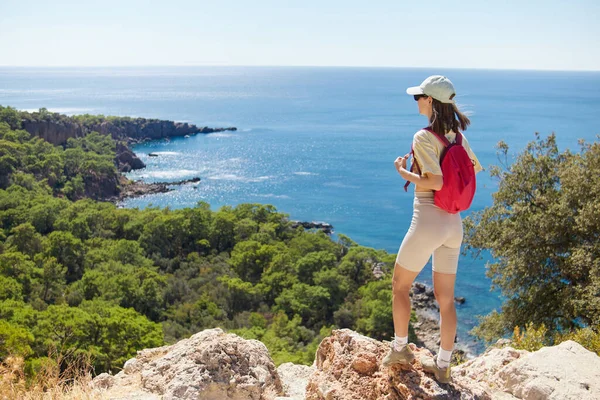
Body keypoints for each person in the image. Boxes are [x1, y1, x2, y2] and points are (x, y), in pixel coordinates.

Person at [381, 75, 483, 384]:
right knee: (446, 300)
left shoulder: (423, 137)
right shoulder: (458, 138)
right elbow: (472, 170)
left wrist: (402, 171)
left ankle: (400, 349)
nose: (416, 101)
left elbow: (435, 182)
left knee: (399, 286)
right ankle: (443, 365)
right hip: (454, 224)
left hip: (428, 220)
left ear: (430, 102)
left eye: (418, 97)